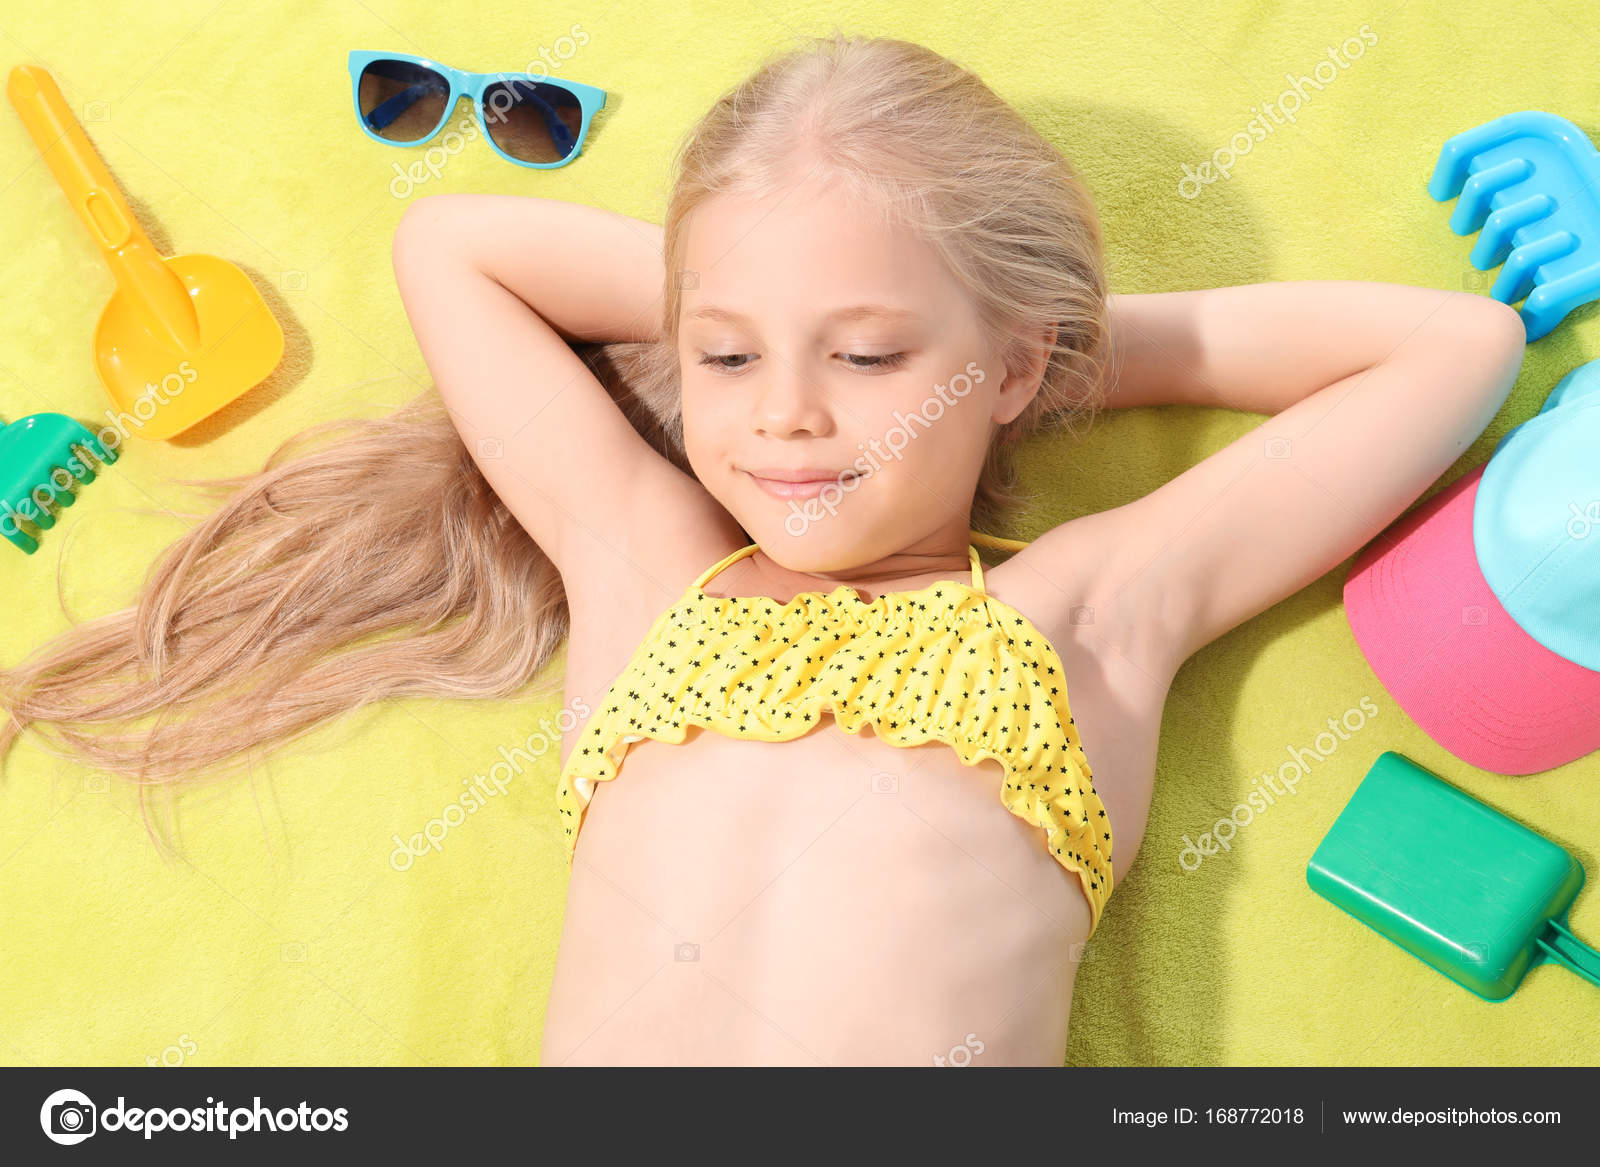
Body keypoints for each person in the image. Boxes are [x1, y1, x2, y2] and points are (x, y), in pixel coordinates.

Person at [0, 32, 1526, 1065]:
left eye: (865, 358)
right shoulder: (650, 565)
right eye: (723, 358)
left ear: (1008, 367)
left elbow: (1454, 348)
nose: (784, 419)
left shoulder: (1093, 607)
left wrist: (1024, 345)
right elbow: (449, 243)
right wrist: (791, 296)